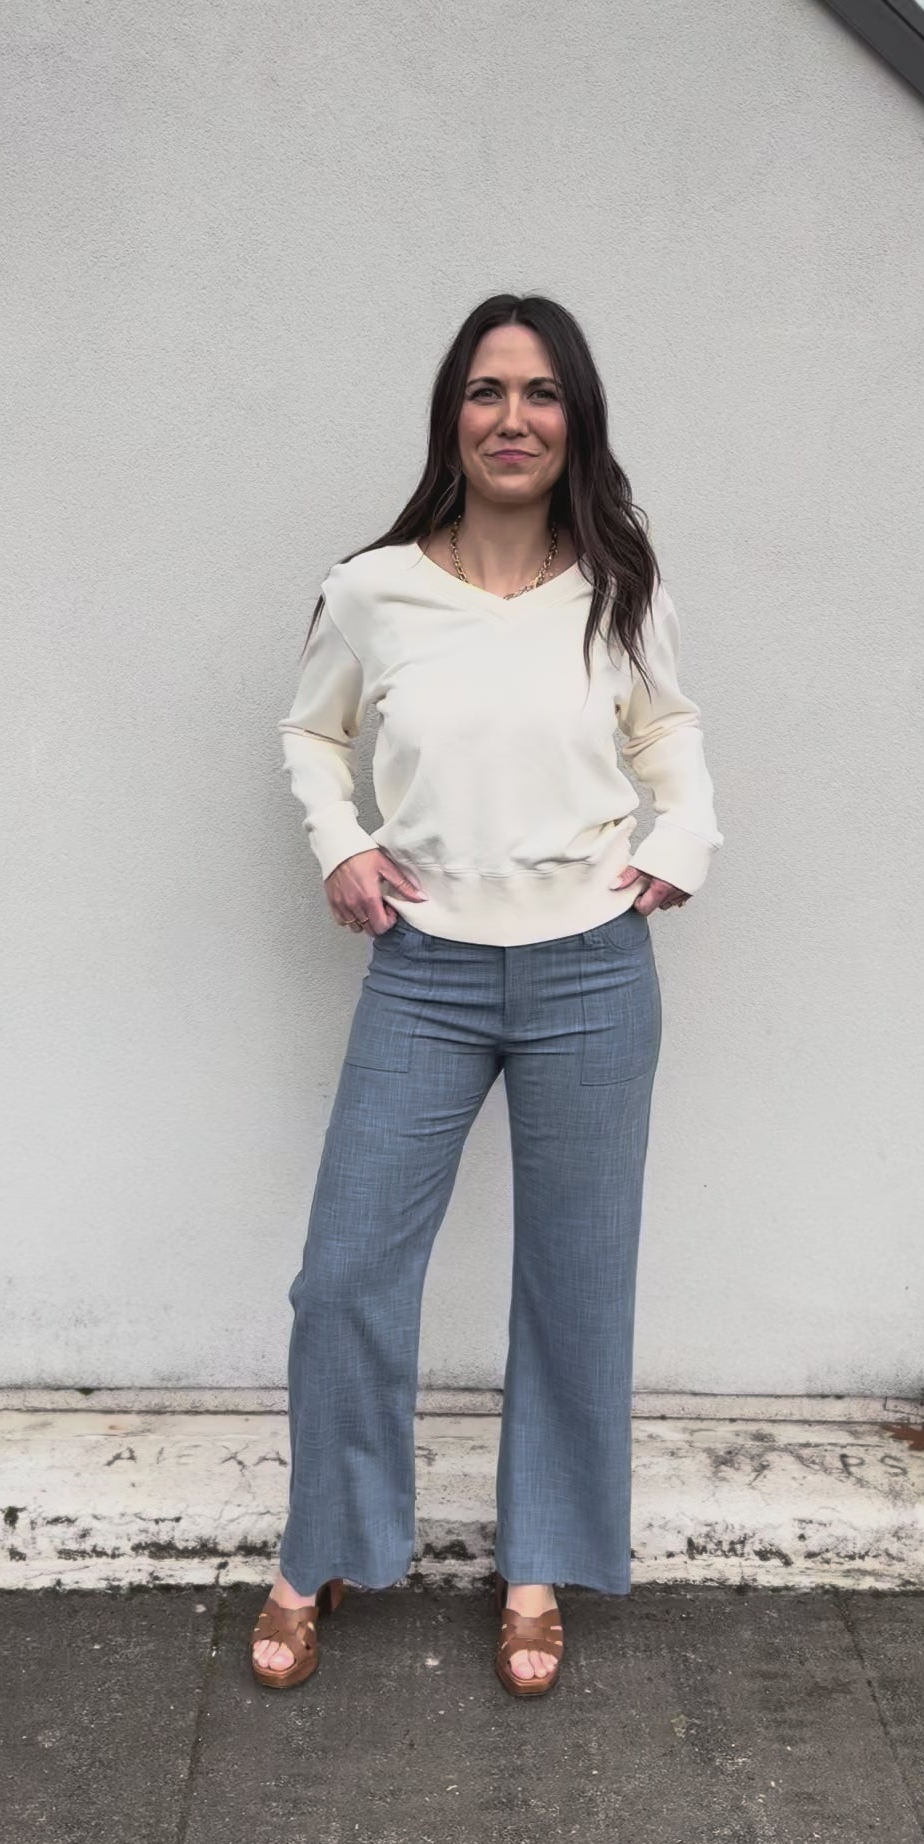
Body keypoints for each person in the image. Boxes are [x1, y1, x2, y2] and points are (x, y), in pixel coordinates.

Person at [252, 291, 723, 1698]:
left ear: (575, 419)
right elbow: (311, 731)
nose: (513, 418)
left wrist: (682, 840)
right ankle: (324, 1546)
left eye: (540, 393)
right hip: (426, 972)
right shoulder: (372, 589)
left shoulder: (620, 585)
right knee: (345, 1277)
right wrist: (340, 845)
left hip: (592, 967)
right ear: (451, 417)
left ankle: (538, 1568)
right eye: (485, 391)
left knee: (576, 1285)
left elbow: (668, 728)